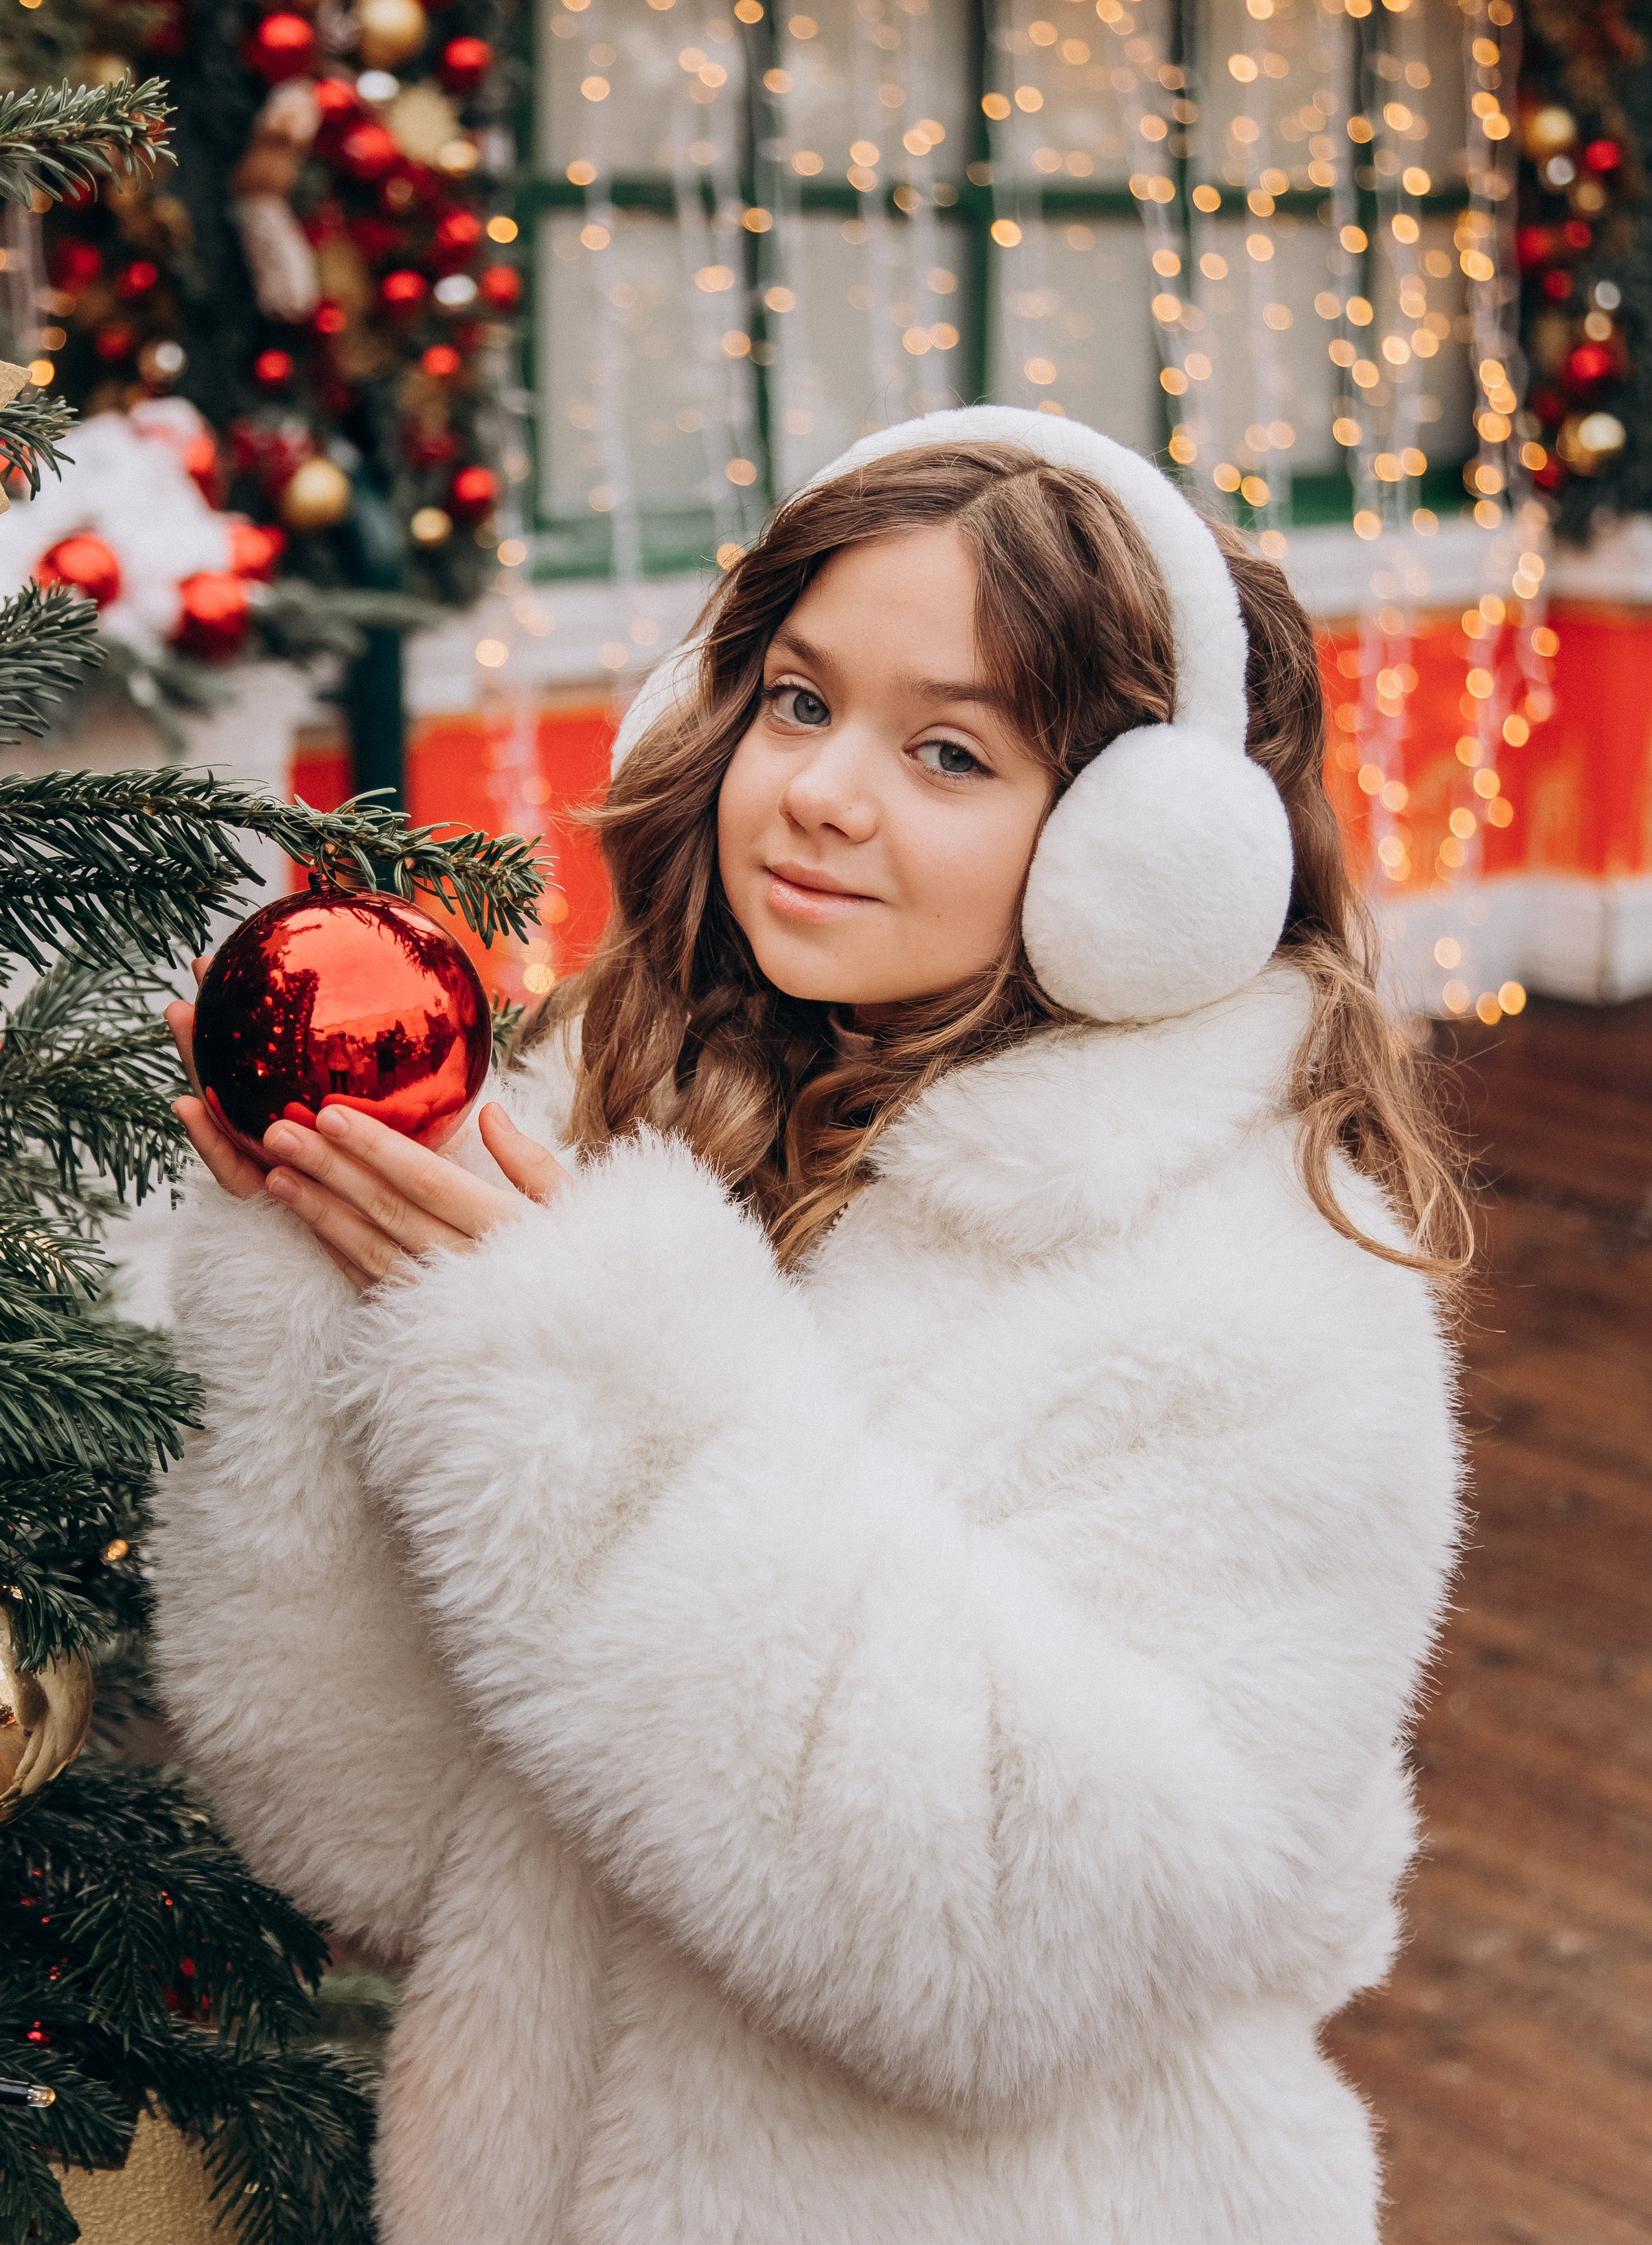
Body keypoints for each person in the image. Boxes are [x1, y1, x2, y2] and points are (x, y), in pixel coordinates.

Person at [152, 411, 1467, 2245]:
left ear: (1137, 852)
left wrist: (603, 1385)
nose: (827, 791)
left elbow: (1023, 1955)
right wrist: (329, 1288)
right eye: (794, 701)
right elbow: (374, 1831)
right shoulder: (629, 1121)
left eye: (948, 749)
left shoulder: (1260, 1298)